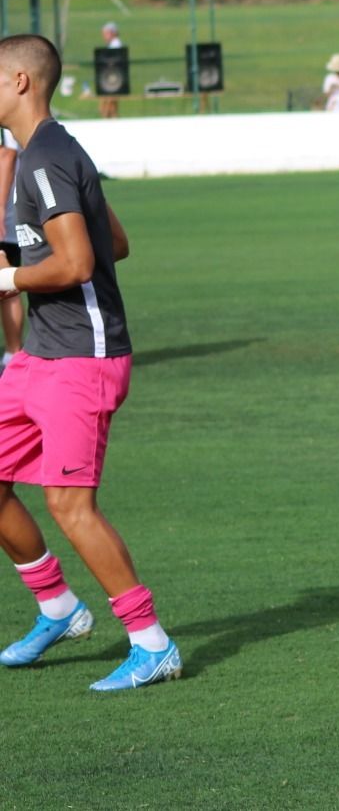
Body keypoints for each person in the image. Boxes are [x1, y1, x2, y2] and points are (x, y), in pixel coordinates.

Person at [0, 34, 181, 691]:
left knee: (70, 504)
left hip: (83, 360)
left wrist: (10, 281)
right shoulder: (46, 153)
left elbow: (79, 263)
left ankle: (150, 641)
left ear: (21, 81)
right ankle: (56, 606)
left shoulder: (45, 158)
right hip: (39, 358)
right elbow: (117, 242)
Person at [0, 130, 22, 369]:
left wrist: (0, 207)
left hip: (5, 223)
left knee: (6, 283)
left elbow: (6, 155)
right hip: (10, 219)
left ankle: (12, 355)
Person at [97, 22, 122, 120]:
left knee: (108, 108)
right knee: (109, 108)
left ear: (112, 33)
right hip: (111, 79)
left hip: (112, 80)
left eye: (106, 33)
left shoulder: (115, 45)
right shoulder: (113, 44)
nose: (104, 36)